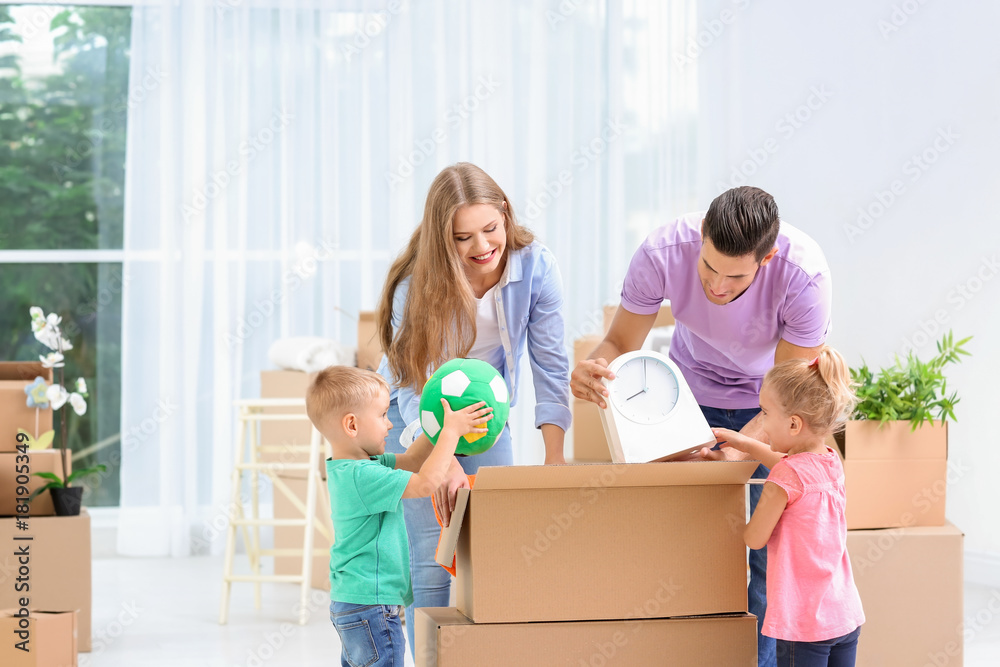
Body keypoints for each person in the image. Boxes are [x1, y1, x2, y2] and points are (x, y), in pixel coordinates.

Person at [570, 186, 832, 667]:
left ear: (767, 258)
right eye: (708, 267)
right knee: (682, 546)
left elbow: (788, 396)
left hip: (770, 405)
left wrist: (738, 452)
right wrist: (591, 366)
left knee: (766, 554)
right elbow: (620, 341)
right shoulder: (662, 251)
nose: (716, 286)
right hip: (686, 399)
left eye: (734, 276)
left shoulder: (805, 277)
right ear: (701, 239)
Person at [375, 162, 571, 656]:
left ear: (505, 213)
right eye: (463, 238)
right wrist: (443, 461)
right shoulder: (415, 285)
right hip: (418, 415)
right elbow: (413, 385)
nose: (482, 247)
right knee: (433, 556)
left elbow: (551, 365)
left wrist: (554, 458)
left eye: (490, 229)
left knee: (490, 549)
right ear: (444, 239)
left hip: (486, 413)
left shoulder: (536, 267)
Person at [305, 365, 493, 667]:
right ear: (352, 425)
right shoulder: (364, 475)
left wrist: (437, 425)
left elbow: (415, 459)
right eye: (381, 416)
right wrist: (451, 433)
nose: (389, 425)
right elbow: (426, 483)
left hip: (354, 604)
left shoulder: (360, 465)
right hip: (372, 607)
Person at [709, 347, 865, 667]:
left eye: (765, 413)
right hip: (844, 615)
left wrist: (721, 517)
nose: (762, 423)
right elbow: (791, 465)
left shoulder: (784, 477)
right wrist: (742, 443)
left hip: (805, 626)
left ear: (794, 424)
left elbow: (754, 538)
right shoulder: (830, 462)